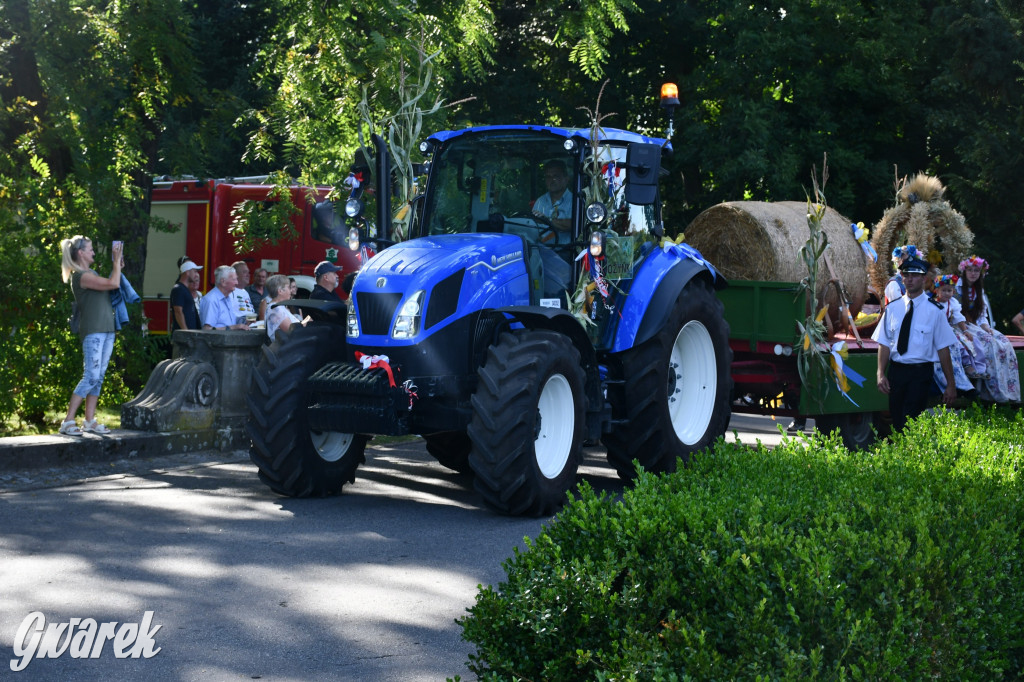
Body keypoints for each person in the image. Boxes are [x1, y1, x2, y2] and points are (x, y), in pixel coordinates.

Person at [872, 250, 957, 432]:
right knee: (896, 418)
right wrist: (881, 373)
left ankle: (908, 456)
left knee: (910, 420)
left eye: (915, 276)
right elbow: (884, 343)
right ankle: (901, 455)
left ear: (924, 279)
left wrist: (951, 384)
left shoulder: (935, 311)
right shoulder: (892, 309)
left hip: (920, 373)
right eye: (906, 275)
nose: (910, 279)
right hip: (896, 372)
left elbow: (943, 349)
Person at [58, 236, 124, 436]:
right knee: (91, 375)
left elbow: (114, 281)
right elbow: (113, 283)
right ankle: (68, 421)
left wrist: (118, 265)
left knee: (99, 377)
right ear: (81, 253)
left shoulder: (91, 273)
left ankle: (89, 421)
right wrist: (115, 261)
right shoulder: (81, 276)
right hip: (94, 331)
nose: (93, 252)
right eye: (90, 249)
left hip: (106, 330)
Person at [956, 256, 1020, 402]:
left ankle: (1008, 390)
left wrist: (986, 327)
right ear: (964, 272)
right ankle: (988, 391)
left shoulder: (979, 290)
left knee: (1003, 341)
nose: (973, 273)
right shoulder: (956, 288)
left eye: (976, 271)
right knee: (988, 343)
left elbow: (981, 316)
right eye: (970, 270)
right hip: (960, 326)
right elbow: (954, 315)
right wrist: (967, 328)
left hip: (974, 325)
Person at [930, 274, 977, 394]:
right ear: (936, 291)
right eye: (943, 290)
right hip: (936, 330)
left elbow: (958, 318)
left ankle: (967, 365)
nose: (947, 293)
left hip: (950, 328)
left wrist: (965, 330)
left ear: (954, 291)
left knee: (961, 342)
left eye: (949, 291)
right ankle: (949, 382)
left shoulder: (953, 303)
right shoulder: (931, 302)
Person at [531, 160, 573, 244]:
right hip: (541, 251)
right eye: (548, 177)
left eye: (556, 176)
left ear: (566, 179)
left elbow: (573, 224)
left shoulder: (574, 200)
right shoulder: (540, 201)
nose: (552, 180)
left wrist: (547, 220)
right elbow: (532, 227)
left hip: (566, 252)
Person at [199, 265, 249, 330]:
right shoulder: (211, 300)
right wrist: (235, 327)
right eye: (234, 279)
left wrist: (245, 321)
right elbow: (207, 329)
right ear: (223, 282)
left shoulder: (227, 297)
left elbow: (229, 322)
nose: (237, 282)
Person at [265, 274, 303, 341]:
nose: (291, 291)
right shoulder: (276, 309)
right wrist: (308, 321)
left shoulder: (279, 306)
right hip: (290, 348)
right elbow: (293, 331)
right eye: (288, 287)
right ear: (280, 291)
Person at [171, 259, 203, 331]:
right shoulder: (178, 289)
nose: (196, 274)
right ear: (187, 272)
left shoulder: (185, 290)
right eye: (194, 271)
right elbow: (178, 311)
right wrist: (186, 332)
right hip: (184, 337)